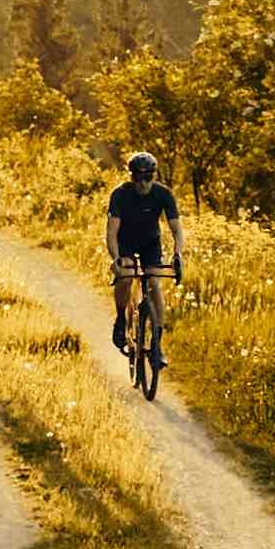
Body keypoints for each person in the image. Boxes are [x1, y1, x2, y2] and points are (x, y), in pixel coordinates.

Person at [102, 145, 185, 388]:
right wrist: (116, 258)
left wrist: (178, 254)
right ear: (132, 177)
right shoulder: (120, 194)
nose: (143, 182)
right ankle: (120, 320)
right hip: (125, 241)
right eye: (138, 177)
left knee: (155, 285)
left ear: (154, 176)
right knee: (126, 277)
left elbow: (177, 229)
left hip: (151, 242)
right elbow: (111, 232)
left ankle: (157, 342)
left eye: (147, 177)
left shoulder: (163, 195)